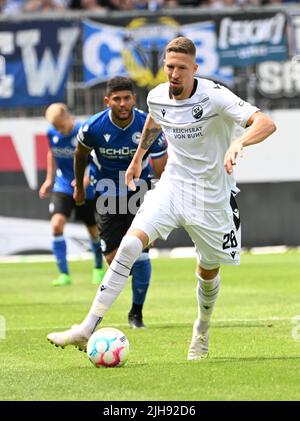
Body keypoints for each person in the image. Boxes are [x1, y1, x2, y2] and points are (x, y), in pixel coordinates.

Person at [47, 37, 276, 359]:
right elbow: (155, 120)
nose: (174, 73)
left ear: (194, 69)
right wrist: (138, 156)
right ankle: (86, 329)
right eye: (170, 67)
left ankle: (202, 328)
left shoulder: (214, 96)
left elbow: (265, 122)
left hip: (212, 197)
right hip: (173, 186)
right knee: (128, 245)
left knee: (208, 271)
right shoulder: (156, 96)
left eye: (181, 68)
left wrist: (240, 143)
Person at [73, 76, 167, 328]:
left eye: (127, 98)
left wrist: (162, 203)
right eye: (117, 99)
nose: (123, 103)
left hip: (140, 193)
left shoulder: (149, 126)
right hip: (106, 193)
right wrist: (80, 187)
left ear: (134, 99)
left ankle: (136, 313)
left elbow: (161, 169)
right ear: (107, 101)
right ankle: (134, 274)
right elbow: (79, 155)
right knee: (114, 258)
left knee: (142, 255)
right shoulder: (93, 127)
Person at [39, 103, 105, 286]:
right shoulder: (51, 133)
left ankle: (98, 269)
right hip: (63, 186)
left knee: (93, 230)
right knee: (56, 224)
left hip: (85, 188)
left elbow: (96, 160)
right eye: (55, 127)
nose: (58, 130)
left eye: (60, 125)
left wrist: (83, 182)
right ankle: (64, 274)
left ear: (68, 117)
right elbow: (52, 153)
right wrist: (48, 179)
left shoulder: (84, 132)